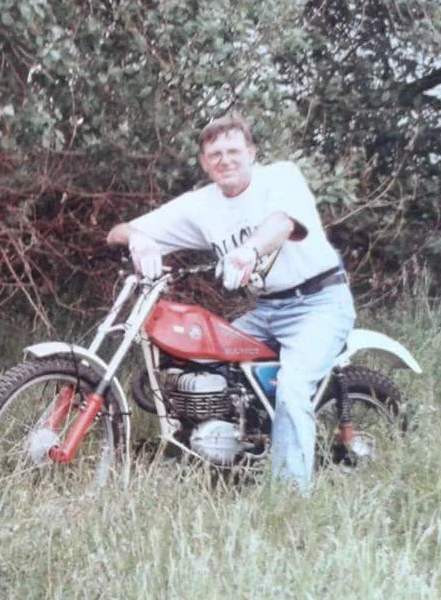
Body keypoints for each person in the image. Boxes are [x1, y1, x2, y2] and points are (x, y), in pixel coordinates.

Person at [106, 111, 355, 494]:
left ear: (252, 152)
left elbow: (282, 223)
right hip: (269, 309)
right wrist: (139, 240)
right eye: (215, 153)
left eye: (233, 150)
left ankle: (289, 497)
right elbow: (120, 231)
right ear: (205, 163)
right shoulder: (201, 204)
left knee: (292, 388)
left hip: (320, 303)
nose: (225, 159)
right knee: (198, 357)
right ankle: (219, 449)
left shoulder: (281, 177)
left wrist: (249, 252)